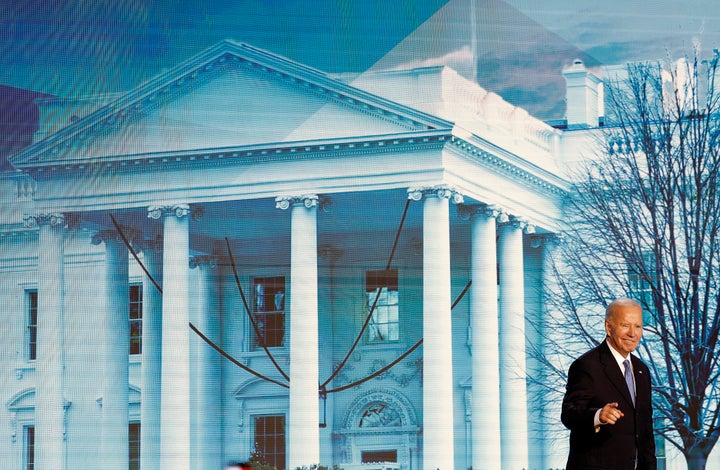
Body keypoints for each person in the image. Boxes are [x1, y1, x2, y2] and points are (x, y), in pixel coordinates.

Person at [561, 298, 657, 469]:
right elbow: (569, 414)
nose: (632, 333)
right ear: (608, 327)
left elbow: (645, 431)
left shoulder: (642, 370)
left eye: (638, 326)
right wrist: (598, 415)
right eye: (625, 325)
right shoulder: (586, 365)